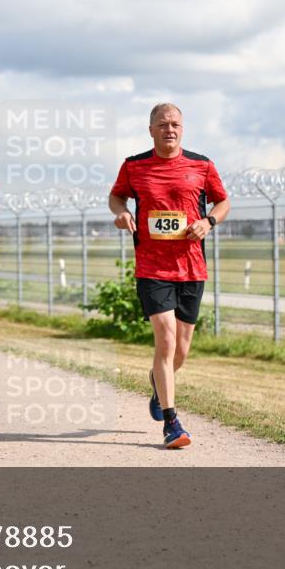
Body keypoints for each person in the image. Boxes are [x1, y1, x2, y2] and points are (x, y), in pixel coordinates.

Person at [108, 103, 230, 449]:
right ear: (151, 130)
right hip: (152, 267)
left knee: (181, 350)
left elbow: (223, 202)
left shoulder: (202, 165)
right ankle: (172, 423)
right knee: (166, 340)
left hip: (191, 267)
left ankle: (157, 383)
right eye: (162, 125)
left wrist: (209, 222)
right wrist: (121, 213)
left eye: (175, 124)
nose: (170, 130)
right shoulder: (134, 166)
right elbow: (116, 196)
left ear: (183, 128)